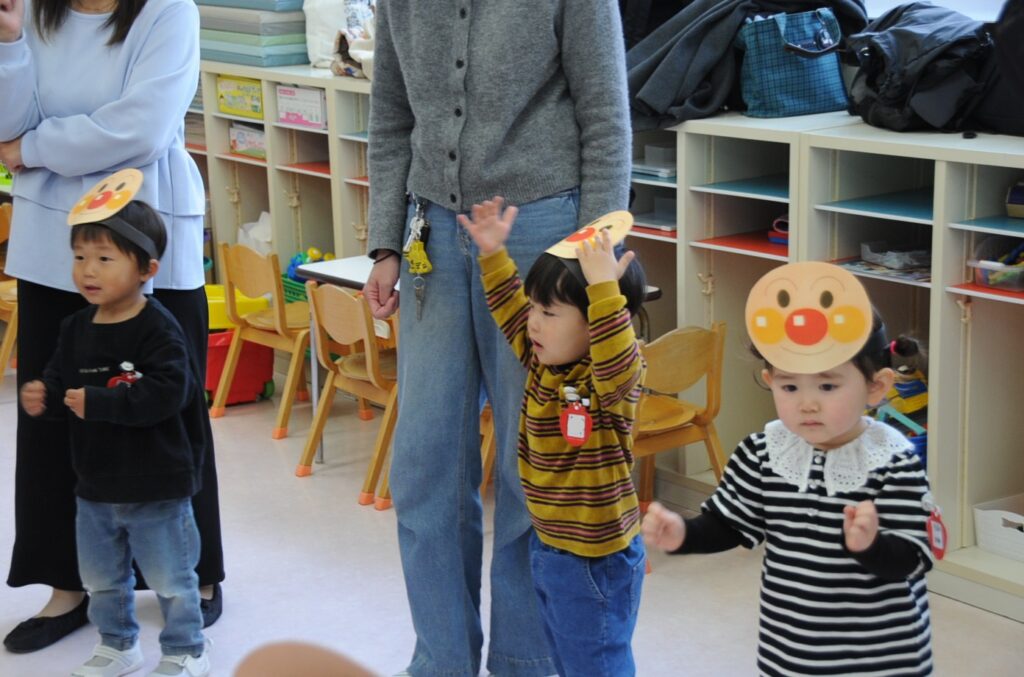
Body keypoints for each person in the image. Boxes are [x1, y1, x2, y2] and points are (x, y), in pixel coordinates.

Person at [362, 2, 631, 675]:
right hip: (431, 233)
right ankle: (441, 661)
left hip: (545, 231)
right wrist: (385, 242)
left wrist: (592, 260)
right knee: (424, 464)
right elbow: (390, 116)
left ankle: (524, 662)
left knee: (534, 463)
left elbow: (606, 114)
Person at [0, 0, 224, 654]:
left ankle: (195, 574)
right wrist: (9, 43)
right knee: (52, 417)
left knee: (168, 415)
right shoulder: (32, 12)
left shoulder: (168, 12)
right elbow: (7, 124)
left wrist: (32, 149)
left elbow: (141, 129)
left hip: (148, 243)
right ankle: (66, 584)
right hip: (54, 247)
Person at [643, 261, 939, 676]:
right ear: (770, 380)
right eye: (789, 386)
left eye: (828, 385)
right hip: (791, 654)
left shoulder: (892, 460)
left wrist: (871, 545)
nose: (807, 403)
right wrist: (684, 534)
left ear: (876, 387)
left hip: (881, 660)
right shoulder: (764, 452)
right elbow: (729, 524)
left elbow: (912, 558)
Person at [20, 177, 211, 676]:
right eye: (80, 257)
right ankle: (118, 644)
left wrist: (100, 402)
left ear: (147, 269)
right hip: (95, 484)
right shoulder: (75, 327)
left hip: (158, 483)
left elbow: (169, 393)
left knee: (171, 579)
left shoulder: (158, 327)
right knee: (101, 578)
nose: (88, 270)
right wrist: (45, 396)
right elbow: (63, 382)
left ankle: (187, 649)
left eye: (104, 258)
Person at [460, 200, 647, 676]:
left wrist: (604, 290)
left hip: (596, 558)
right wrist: (493, 254)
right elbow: (510, 310)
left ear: (598, 321)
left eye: (549, 312)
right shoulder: (545, 365)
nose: (534, 322)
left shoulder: (611, 381)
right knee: (569, 662)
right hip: (552, 546)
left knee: (596, 666)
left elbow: (616, 352)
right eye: (534, 308)